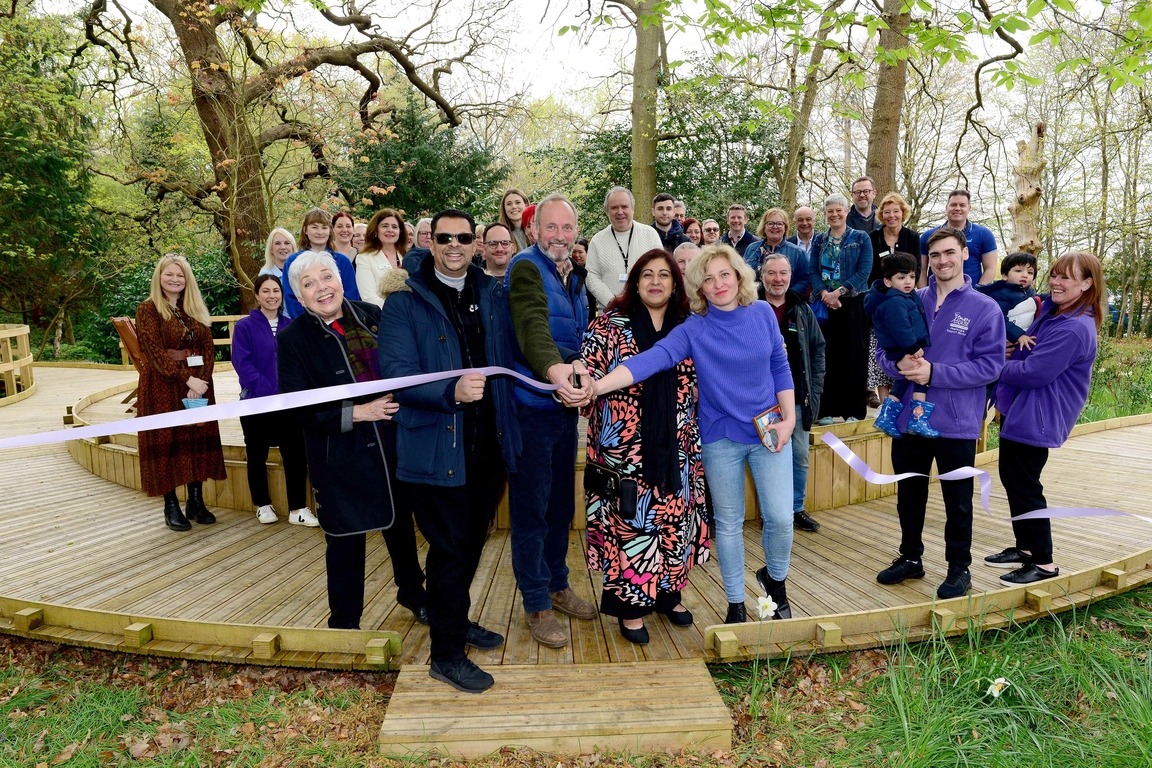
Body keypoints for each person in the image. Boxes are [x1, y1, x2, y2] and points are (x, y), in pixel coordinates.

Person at [593, 244, 796, 624]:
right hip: (719, 435)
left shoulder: (764, 313)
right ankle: (736, 603)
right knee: (731, 522)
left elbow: (779, 366)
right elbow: (650, 361)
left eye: (724, 274)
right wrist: (597, 386)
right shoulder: (694, 328)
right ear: (698, 288)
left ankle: (776, 581)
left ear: (738, 276)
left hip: (769, 429)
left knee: (781, 517)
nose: (718, 284)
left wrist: (789, 419)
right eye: (708, 278)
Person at [379, 209, 520, 693]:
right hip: (436, 448)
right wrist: (449, 394)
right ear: (431, 243)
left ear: (476, 242)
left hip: (487, 448)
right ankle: (445, 654)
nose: (455, 245)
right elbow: (397, 375)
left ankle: (454, 624)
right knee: (449, 551)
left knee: (472, 544)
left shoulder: (491, 292)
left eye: (464, 237)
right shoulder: (403, 302)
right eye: (445, 238)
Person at [277, 251, 428, 630]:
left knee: (399, 526)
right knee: (345, 539)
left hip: (392, 439)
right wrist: (359, 413)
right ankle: (344, 622)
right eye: (308, 284)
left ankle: (413, 593)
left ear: (340, 279)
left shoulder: (372, 316)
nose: (321, 288)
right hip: (339, 452)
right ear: (298, 295)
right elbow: (297, 408)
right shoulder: (294, 339)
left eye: (326, 277)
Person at [581, 249, 710, 645]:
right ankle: (630, 608)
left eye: (664, 275)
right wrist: (577, 387)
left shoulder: (693, 326)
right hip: (623, 452)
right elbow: (587, 378)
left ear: (676, 285)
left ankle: (668, 594)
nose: (656, 281)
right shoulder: (608, 326)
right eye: (647, 275)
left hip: (679, 448)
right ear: (634, 283)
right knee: (632, 527)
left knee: (674, 522)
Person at [874, 227, 1004, 599]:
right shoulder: (909, 297)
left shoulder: (985, 308)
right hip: (909, 420)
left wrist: (936, 373)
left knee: (958, 501)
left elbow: (991, 366)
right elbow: (883, 346)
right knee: (909, 494)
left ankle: (959, 570)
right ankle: (910, 559)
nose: (942, 261)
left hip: (956, 422)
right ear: (927, 260)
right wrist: (897, 363)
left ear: (965, 254)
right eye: (935, 255)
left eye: (950, 253)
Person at [504, 193, 598, 649]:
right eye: (551, 228)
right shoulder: (525, 268)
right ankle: (537, 603)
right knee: (532, 511)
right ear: (534, 230)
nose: (559, 236)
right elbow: (532, 329)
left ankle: (558, 584)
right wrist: (558, 371)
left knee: (561, 506)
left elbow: (577, 335)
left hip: (564, 412)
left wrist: (583, 365)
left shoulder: (573, 276)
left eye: (567, 228)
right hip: (532, 408)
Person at [986, 252, 1103, 586]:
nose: (1055, 282)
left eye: (1066, 277)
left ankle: (1044, 564)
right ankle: (1025, 549)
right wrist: (1011, 353)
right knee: (1014, 479)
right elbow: (1028, 351)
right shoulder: (1054, 311)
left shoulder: (1075, 327)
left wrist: (992, 366)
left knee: (1026, 487)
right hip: (1020, 408)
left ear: (1086, 283)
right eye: (1054, 274)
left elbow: (1036, 372)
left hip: (1039, 414)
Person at [135, 254, 227, 531]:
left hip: (198, 386)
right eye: (169, 274)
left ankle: (196, 501)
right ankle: (171, 505)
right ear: (159, 277)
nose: (175, 279)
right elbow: (153, 352)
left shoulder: (194, 308)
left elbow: (208, 348)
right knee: (169, 443)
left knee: (195, 436)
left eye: (180, 275)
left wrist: (200, 380)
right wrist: (186, 378)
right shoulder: (148, 310)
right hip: (164, 387)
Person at [231, 274, 314, 526]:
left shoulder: (292, 324)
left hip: (288, 404)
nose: (271, 296)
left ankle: (298, 508)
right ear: (256, 295)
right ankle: (262, 504)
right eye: (265, 291)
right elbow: (242, 364)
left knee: (295, 454)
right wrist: (268, 391)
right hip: (257, 401)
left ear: (282, 294)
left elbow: (301, 363)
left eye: (275, 291)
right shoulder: (245, 327)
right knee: (257, 453)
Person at [761, 253, 825, 533]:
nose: (778, 279)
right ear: (761, 276)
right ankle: (771, 513)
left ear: (790, 276)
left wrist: (816, 391)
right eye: (772, 273)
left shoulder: (802, 308)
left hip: (797, 399)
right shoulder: (749, 307)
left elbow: (818, 350)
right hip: (760, 401)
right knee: (765, 458)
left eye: (783, 273)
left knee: (799, 456)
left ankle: (796, 508)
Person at [809, 194, 873, 425]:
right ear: (825, 214)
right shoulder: (818, 240)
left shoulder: (861, 238)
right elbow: (813, 271)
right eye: (830, 211)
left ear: (847, 211)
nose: (835, 214)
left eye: (839, 210)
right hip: (825, 305)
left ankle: (854, 410)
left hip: (853, 303)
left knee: (855, 355)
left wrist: (840, 292)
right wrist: (825, 294)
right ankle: (827, 409)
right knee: (827, 357)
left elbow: (864, 271)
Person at [864, 253, 938, 438]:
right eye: (901, 277)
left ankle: (886, 417)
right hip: (902, 347)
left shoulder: (904, 296)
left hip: (901, 347)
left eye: (912, 277)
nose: (908, 281)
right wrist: (913, 347)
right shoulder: (895, 301)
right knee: (922, 378)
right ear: (888, 281)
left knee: (904, 380)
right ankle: (917, 420)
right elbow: (901, 328)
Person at [867, 193, 921, 404]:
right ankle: (886, 407)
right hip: (880, 300)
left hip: (905, 302)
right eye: (887, 212)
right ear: (881, 214)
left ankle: (903, 404)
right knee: (881, 354)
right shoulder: (873, 237)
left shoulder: (912, 237)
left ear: (903, 213)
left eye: (896, 211)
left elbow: (916, 268)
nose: (891, 216)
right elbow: (871, 270)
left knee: (904, 349)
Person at [585, 186, 663, 309]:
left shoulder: (650, 234)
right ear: (606, 210)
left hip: (646, 311)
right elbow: (591, 276)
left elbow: (661, 270)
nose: (620, 212)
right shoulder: (597, 240)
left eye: (624, 206)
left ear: (633, 207)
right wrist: (612, 302)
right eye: (614, 208)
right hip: (609, 314)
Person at [281, 208, 360, 318]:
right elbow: (291, 299)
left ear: (330, 231)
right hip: (308, 325)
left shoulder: (342, 261)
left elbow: (351, 295)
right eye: (314, 227)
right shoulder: (292, 262)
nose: (320, 232)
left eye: (324, 227)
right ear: (305, 230)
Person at [919, 190, 998, 286]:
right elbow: (921, 270)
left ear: (969, 208)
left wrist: (977, 294)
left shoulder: (984, 234)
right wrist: (924, 296)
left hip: (971, 296)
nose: (957, 208)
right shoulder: (927, 236)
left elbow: (990, 269)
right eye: (953, 205)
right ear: (946, 207)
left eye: (962, 205)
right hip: (936, 295)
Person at [975, 252, 1041, 351]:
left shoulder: (1029, 291)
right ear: (1005, 275)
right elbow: (999, 319)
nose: (1025, 275)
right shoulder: (1001, 293)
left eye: (1030, 272)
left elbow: (1037, 299)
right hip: (1003, 340)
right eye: (1019, 270)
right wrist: (1019, 336)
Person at [743, 208, 809, 293]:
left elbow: (805, 279)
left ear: (785, 227)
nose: (775, 227)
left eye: (779, 224)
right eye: (770, 223)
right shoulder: (752, 249)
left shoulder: (798, 253)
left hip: (784, 303)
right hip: (754, 301)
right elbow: (743, 275)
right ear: (764, 227)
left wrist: (788, 296)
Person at [355, 208, 409, 307]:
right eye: (385, 226)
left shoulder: (408, 256)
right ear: (375, 230)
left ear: (400, 231)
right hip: (384, 316)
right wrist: (397, 311)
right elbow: (368, 297)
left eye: (394, 227)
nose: (390, 230)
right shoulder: (364, 258)